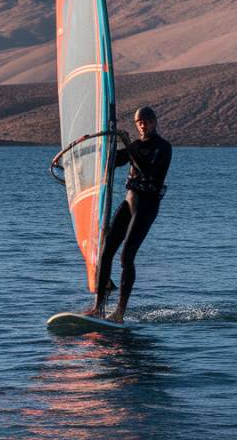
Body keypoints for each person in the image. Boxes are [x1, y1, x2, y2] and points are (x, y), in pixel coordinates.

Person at [84, 106, 172, 322]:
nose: (142, 124)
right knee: (106, 252)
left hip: (146, 206)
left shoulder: (163, 147)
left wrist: (126, 144)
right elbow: (112, 161)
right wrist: (98, 146)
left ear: (154, 121)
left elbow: (146, 170)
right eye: (138, 121)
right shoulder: (135, 146)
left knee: (126, 257)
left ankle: (120, 312)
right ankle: (99, 308)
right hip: (129, 201)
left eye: (146, 120)